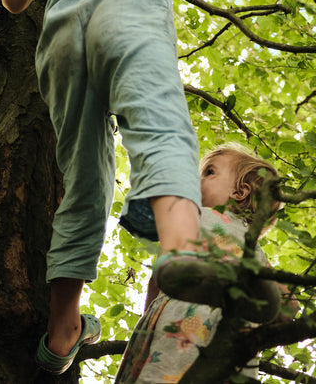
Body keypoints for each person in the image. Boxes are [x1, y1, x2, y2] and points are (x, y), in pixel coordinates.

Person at [0, 0, 204, 374]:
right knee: (158, 123)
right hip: (127, 11)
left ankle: (63, 331)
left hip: (63, 38)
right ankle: (184, 257)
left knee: (84, 176)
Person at [113, 143, 291, 384]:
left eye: (209, 172)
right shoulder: (252, 250)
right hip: (214, 335)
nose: (196, 181)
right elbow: (287, 305)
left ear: (240, 192)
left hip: (185, 325)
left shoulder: (196, 217)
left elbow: (160, 276)